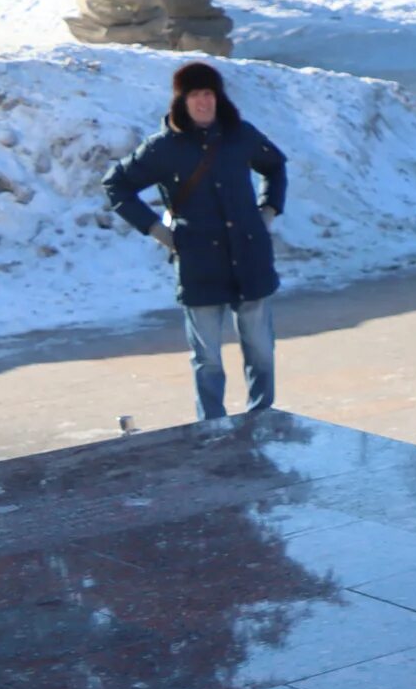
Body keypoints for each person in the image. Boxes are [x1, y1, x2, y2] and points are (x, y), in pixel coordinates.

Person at [106, 59, 288, 422]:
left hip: (250, 258)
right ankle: (213, 428)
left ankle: (262, 419)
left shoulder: (241, 136)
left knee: (261, 352)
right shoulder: (163, 148)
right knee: (207, 360)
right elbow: (117, 185)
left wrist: (267, 211)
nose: (203, 102)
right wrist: (158, 231)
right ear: (181, 101)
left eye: (209, 94)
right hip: (199, 264)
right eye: (195, 95)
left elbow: (275, 166)